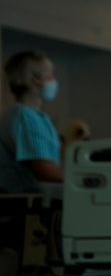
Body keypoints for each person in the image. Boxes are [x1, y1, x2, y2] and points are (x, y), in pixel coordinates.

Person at [0, 51, 64, 194]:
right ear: (33, 80)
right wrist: (83, 179)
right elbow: (43, 168)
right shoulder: (25, 116)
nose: (53, 80)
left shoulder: (36, 116)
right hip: (23, 203)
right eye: (49, 75)